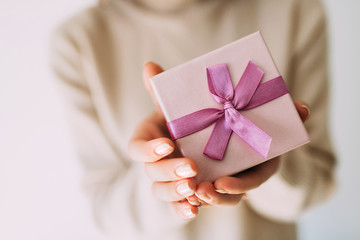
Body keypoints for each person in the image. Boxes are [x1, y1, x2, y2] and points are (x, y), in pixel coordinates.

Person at [51, 0, 336, 239]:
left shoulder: (294, 9)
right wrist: (169, 177)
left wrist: (271, 156)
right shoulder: (80, 42)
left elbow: (319, 186)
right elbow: (106, 214)